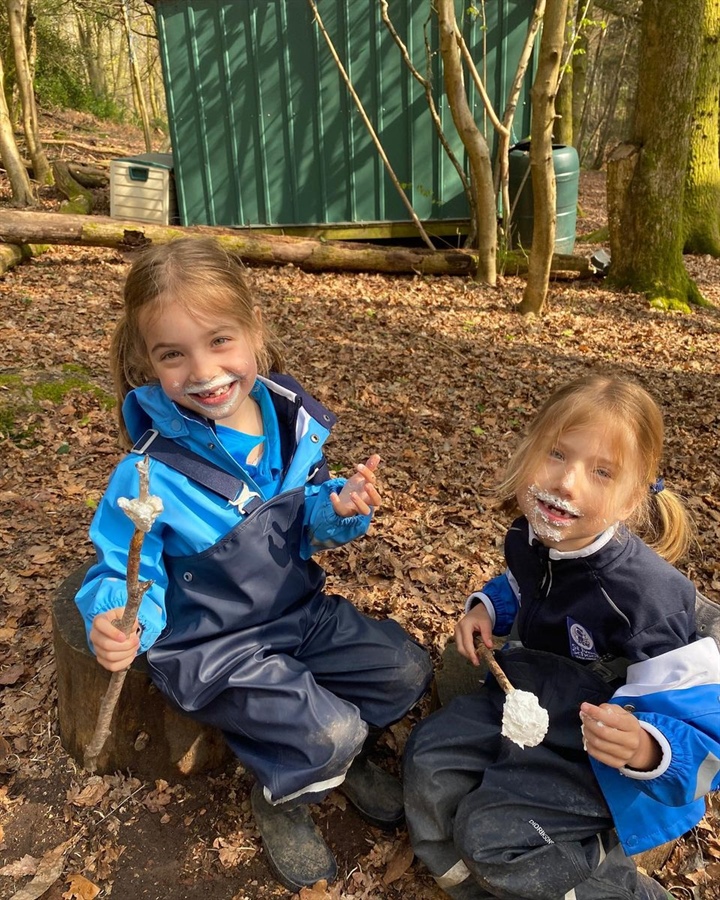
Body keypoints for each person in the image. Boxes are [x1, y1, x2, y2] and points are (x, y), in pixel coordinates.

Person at [75, 237, 432, 893]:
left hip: (297, 613)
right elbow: (122, 565)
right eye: (172, 355)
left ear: (254, 330)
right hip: (214, 644)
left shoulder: (292, 422)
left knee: (405, 668)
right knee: (330, 727)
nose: (203, 371)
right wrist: (117, 619)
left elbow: (308, 522)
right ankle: (285, 792)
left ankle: (334, 755)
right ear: (145, 360)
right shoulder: (149, 470)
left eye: (219, 342)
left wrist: (340, 506)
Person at [403, 374, 720, 900]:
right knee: (428, 758)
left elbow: (706, 726)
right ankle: (464, 883)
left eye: (601, 472)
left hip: (596, 753)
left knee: (491, 835)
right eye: (556, 454)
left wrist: (647, 748)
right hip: (527, 697)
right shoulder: (531, 537)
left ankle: (608, 884)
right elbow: (523, 585)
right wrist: (486, 608)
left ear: (630, 499)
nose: (567, 483)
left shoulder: (647, 599)